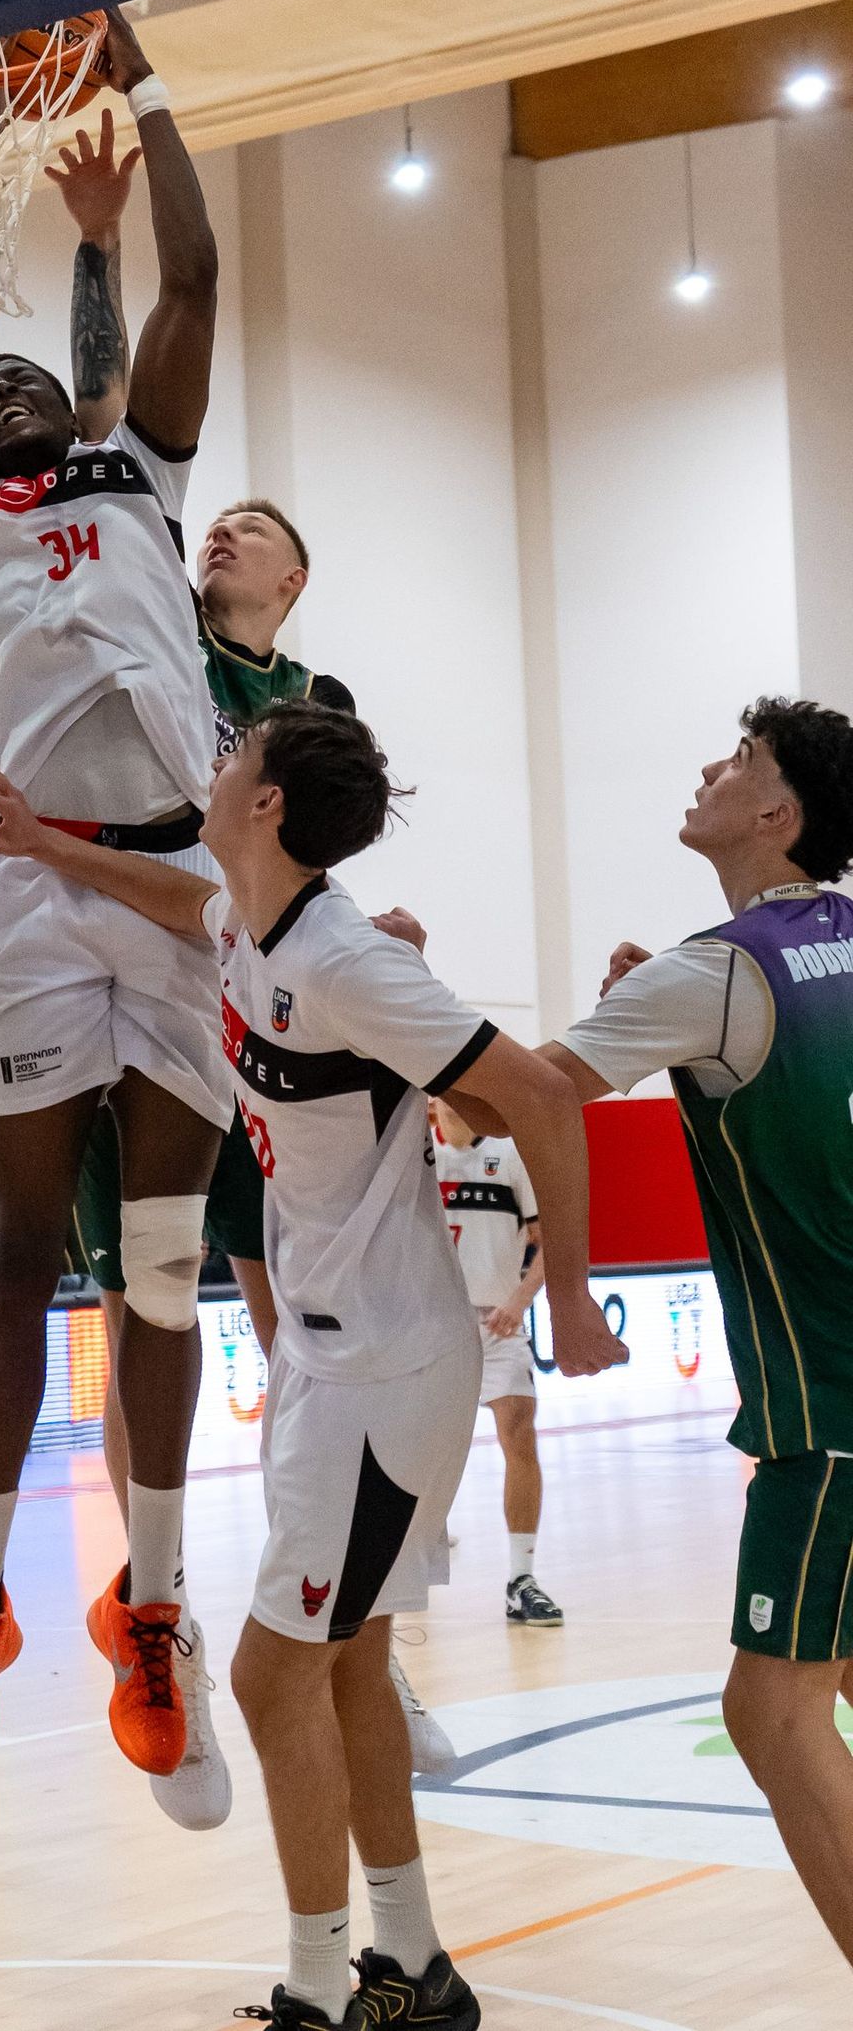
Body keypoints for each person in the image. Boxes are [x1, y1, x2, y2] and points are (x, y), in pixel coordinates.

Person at [0, 700, 624, 2031]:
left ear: (263, 803)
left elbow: (541, 1094)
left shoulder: (345, 958)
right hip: (327, 1358)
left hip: (387, 1364)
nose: (214, 766)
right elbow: (177, 898)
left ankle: (320, 1985)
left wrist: (573, 1295)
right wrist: (44, 841)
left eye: (234, 755)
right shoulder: (250, 920)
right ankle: (414, 1965)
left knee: (270, 1676)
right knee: (351, 1664)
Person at [0, 4, 229, 1786]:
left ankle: (149, 1603)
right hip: (30, 883)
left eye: (34, 380)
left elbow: (196, 275)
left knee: (159, 1261)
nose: (8, 389)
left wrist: (140, 78)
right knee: (21, 1255)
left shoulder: (140, 467)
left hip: (172, 874)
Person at [48, 113, 357, 1825]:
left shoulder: (315, 711)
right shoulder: (153, 598)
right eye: (213, 516)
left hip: (269, 1016)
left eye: (249, 525)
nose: (218, 528)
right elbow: (109, 413)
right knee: (144, 1307)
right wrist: (99, 246)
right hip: (134, 984)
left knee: (303, 1324)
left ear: (293, 578)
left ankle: (333, 1611)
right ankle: (158, 1613)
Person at [530, 697, 853, 1973]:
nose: (713, 766)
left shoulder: (718, 970)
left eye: (743, 760)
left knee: (769, 1710)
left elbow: (508, 1095)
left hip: (830, 1410)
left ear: (776, 814)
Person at [430, 1096, 561, 1626]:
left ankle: (520, 1578)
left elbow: (551, 1242)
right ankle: (405, 1563)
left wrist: (520, 1300)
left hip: (497, 1322)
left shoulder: (509, 1154)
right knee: (416, 1446)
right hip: (431, 1324)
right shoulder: (416, 1154)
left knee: (519, 1430)